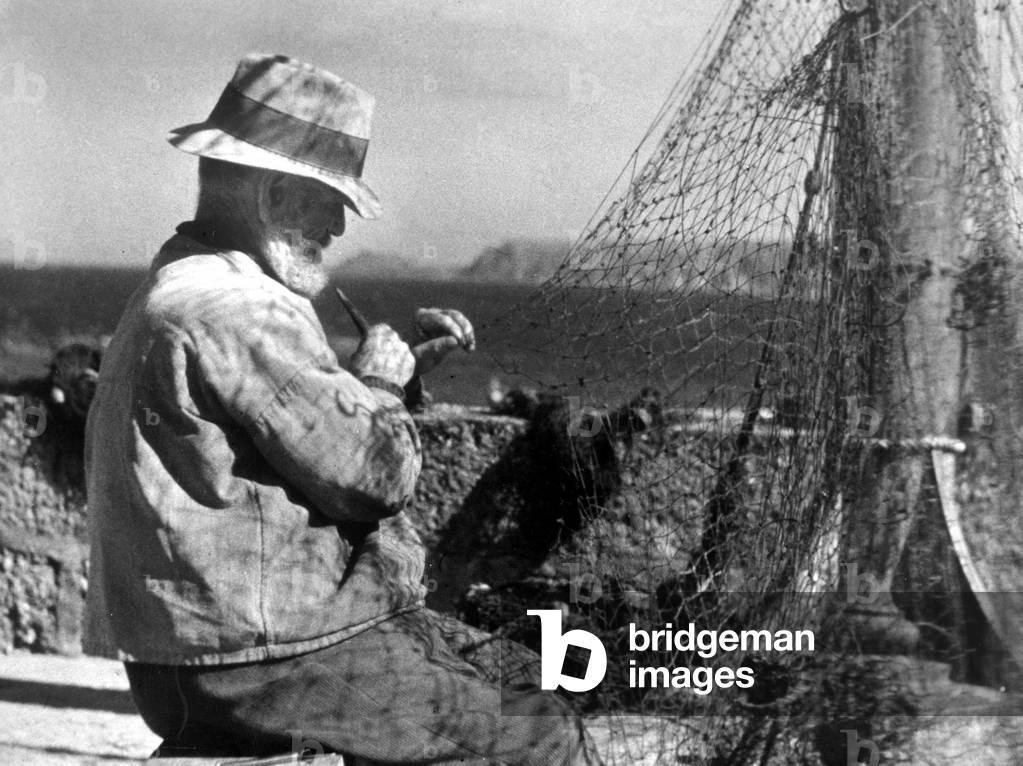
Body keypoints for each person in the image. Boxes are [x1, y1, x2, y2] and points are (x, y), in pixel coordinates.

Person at [84, 53, 596, 765]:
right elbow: (374, 476)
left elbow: (292, 438)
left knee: (524, 674)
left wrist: (398, 374)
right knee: (538, 731)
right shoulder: (245, 309)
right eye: (330, 200)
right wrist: (381, 390)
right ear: (272, 195)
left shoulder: (178, 287)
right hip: (273, 658)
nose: (339, 226)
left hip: (202, 655)